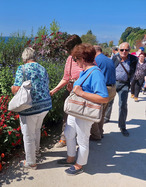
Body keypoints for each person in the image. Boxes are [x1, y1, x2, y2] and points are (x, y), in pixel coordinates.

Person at [58, 43, 109, 175]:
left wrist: (81, 93)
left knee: (82, 139)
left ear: (82, 58)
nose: (75, 62)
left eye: (76, 59)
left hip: (84, 113)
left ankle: (79, 165)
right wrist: (74, 90)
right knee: (69, 132)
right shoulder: (85, 72)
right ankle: (70, 158)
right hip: (76, 110)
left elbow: (104, 98)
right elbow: (81, 88)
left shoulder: (95, 73)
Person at [11, 47, 52, 170]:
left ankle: (31, 162)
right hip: (45, 105)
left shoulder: (22, 68)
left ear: (24, 57)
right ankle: (37, 152)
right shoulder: (42, 68)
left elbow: (17, 89)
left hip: (30, 107)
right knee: (37, 129)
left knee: (28, 134)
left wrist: (12, 88)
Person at [50, 34, 82, 148]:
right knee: (66, 116)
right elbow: (66, 77)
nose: (68, 52)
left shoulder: (87, 58)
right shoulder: (69, 59)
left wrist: (77, 83)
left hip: (82, 95)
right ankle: (64, 138)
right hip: (70, 93)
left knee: (80, 120)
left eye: (70, 49)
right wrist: (54, 90)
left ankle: (79, 142)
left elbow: (92, 75)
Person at [90, 45, 116, 140]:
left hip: (104, 89)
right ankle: (100, 132)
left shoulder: (96, 60)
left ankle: (96, 135)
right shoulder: (109, 59)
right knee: (102, 113)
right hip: (112, 88)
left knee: (95, 112)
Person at [112, 42, 137, 136]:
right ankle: (105, 119)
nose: (124, 51)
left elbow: (135, 71)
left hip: (124, 84)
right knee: (108, 103)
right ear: (118, 50)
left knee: (123, 105)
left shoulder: (133, 59)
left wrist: (132, 82)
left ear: (129, 50)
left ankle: (122, 126)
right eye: (122, 50)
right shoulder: (114, 58)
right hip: (113, 83)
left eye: (126, 50)